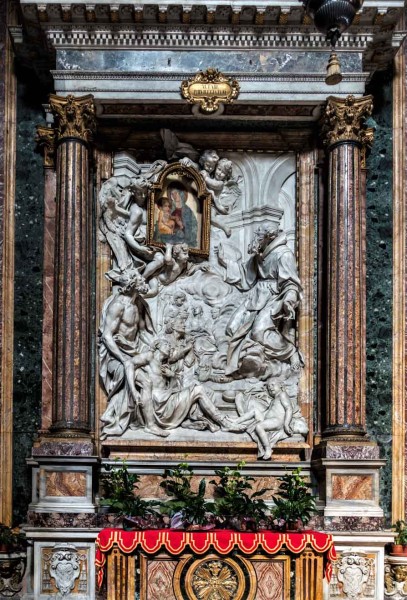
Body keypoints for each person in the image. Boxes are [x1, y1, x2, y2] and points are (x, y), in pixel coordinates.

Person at [216, 224, 303, 378]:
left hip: (274, 298)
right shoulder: (260, 254)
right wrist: (225, 262)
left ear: (269, 237)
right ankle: (248, 358)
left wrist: (289, 299)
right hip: (257, 295)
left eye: (259, 235)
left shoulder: (284, 254)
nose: (255, 239)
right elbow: (245, 274)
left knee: (258, 332)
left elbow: (290, 283)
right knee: (232, 327)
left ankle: (290, 352)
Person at [99, 270, 155, 439]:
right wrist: (123, 358)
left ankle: (118, 415)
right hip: (115, 356)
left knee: (158, 373)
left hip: (133, 351)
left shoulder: (138, 303)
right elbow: (107, 336)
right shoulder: (118, 306)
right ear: (131, 284)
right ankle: (147, 425)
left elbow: (144, 331)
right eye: (139, 279)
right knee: (144, 380)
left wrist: (154, 347)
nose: (142, 280)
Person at [167, 183, 198, 247]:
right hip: (170, 238)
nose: (174, 196)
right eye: (172, 194)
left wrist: (182, 229)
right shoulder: (169, 209)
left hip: (183, 240)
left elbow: (192, 226)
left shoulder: (187, 210)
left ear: (181, 194)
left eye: (176, 193)